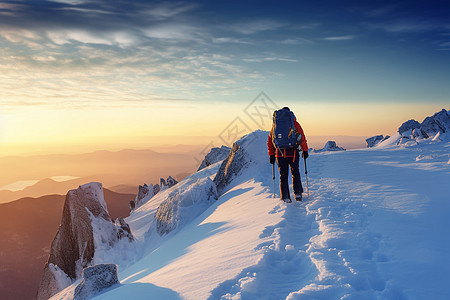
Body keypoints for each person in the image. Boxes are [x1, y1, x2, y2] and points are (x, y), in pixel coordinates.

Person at [267, 107, 309, 202]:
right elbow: (302, 137)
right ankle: (298, 194)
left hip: (279, 154)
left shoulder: (276, 125)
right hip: (292, 152)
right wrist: (305, 150)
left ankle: (285, 197)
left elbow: (270, 140)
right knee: (295, 172)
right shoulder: (294, 123)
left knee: (283, 175)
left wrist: (271, 155)